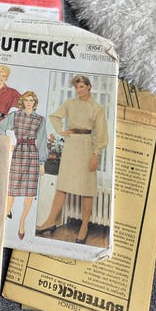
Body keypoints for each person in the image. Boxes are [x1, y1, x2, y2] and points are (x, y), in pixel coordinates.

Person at [36, 75, 108, 244]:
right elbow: (55, 116)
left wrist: (96, 154)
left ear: (89, 87)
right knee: (63, 185)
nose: (78, 90)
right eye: (76, 87)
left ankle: (84, 227)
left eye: (81, 86)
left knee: (87, 188)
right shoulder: (70, 103)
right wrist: (61, 130)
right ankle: (50, 221)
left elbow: (102, 134)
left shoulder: (97, 108)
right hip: (71, 146)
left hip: (87, 146)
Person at [0, 91, 47, 239]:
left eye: (31, 100)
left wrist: (42, 162)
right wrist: (7, 142)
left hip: (32, 155)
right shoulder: (15, 116)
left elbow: (42, 141)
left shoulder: (40, 120)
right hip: (18, 153)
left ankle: (22, 222)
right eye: (26, 100)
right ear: (22, 102)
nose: (29, 103)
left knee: (29, 192)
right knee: (11, 190)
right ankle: (2, 220)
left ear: (35, 102)